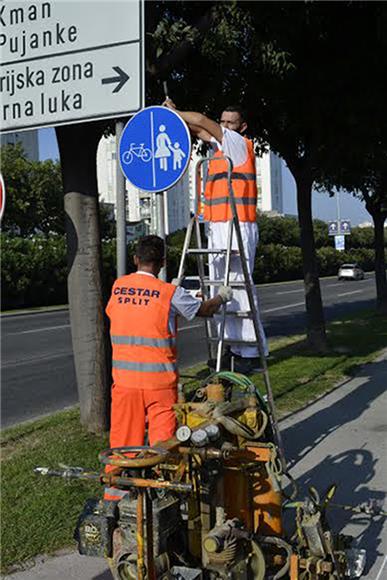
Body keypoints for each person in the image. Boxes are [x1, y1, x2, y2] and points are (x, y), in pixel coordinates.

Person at [104, 235, 233, 501]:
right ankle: (161, 501)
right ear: (162, 263)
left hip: (125, 384)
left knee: (122, 445)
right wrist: (221, 296)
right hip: (159, 385)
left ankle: (114, 503)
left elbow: (136, 312)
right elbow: (205, 310)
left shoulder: (119, 287)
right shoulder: (169, 294)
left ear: (136, 259)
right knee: (163, 447)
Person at [163, 100, 268, 374]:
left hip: (237, 223)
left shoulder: (237, 143)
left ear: (241, 127)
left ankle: (250, 350)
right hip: (218, 223)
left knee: (239, 286)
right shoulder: (220, 147)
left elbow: (200, 118)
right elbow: (198, 129)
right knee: (220, 289)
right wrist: (176, 115)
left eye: (229, 122)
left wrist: (173, 114)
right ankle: (229, 348)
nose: (223, 126)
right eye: (222, 122)